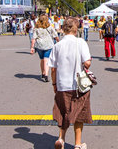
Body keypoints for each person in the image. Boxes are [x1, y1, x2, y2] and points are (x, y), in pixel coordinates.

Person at [48, 17, 92, 149]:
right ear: (76, 28)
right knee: (79, 114)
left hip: (62, 84)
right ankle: (77, 144)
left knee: (63, 112)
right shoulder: (81, 42)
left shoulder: (57, 46)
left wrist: (54, 84)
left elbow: (53, 69)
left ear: (63, 29)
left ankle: (61, 139)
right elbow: (87, 63)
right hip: (79, 85)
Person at [30, 14, 59, 82]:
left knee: (42, 59)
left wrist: (32, 47)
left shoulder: (36, 28)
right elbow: (55, 35)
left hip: (39, 46)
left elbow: (33, 38)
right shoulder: (50, 27)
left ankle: (43, 72)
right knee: (46, 59)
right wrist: (58, 41)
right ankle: (46, 74)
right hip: (48, 45)